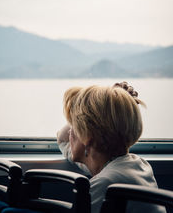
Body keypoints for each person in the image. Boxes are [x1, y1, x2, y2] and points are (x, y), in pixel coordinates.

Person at [57, 82, 166, 213]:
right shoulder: (135, 164)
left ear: (88, 137)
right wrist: (113, 104)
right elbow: (62, 138)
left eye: (74, 126)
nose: (70, 133)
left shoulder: (105, 184)